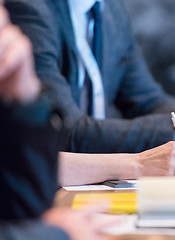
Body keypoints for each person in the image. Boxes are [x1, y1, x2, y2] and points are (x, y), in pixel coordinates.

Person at [4, 0, 175, 155]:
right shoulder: (29, 8)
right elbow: (62, 129)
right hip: (49, 188)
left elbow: (147, 100)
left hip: (97, 183)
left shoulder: (109, 9)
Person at [0, 3, 114, 239]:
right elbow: (73, 128)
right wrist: (58, 233)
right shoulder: (35, 9)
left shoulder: (110, 12)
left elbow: (27, 211)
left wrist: (25, 101)